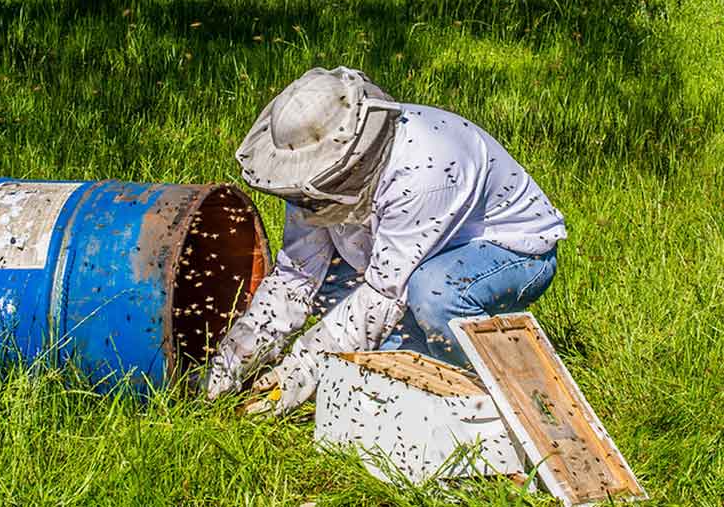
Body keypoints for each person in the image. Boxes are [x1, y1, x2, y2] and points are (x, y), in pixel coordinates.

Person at [204, 67, 566, 414]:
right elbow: (296, 279)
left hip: (511, 253)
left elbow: (382, 292)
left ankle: (481, 393)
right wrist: (229, 366)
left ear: (352, 159)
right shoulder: (311, 177)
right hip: (408, 253)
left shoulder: (425, 169)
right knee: (330, 299)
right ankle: (414, 358)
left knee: (435, 294)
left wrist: (300, 370)